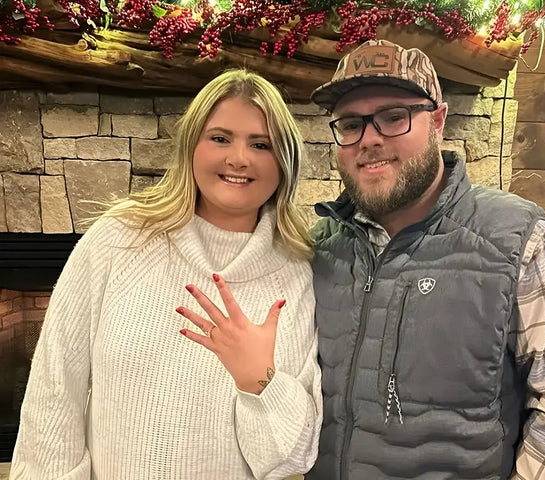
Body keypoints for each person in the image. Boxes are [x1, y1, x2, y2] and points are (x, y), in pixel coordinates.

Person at [307, 39, 545, 479]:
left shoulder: (522, 242)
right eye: (350, 124)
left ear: (438, 121)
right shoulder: (319, 246)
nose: (369, 139)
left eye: (394, 117)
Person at [10, 69, 322, 480]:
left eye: (260, 144)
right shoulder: (119, 239)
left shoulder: (296, 272)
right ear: (191, 146)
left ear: (284, 162)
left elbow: (292, 459)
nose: (239, 158)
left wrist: (259, 381)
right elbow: (55, 388)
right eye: (220, 138)